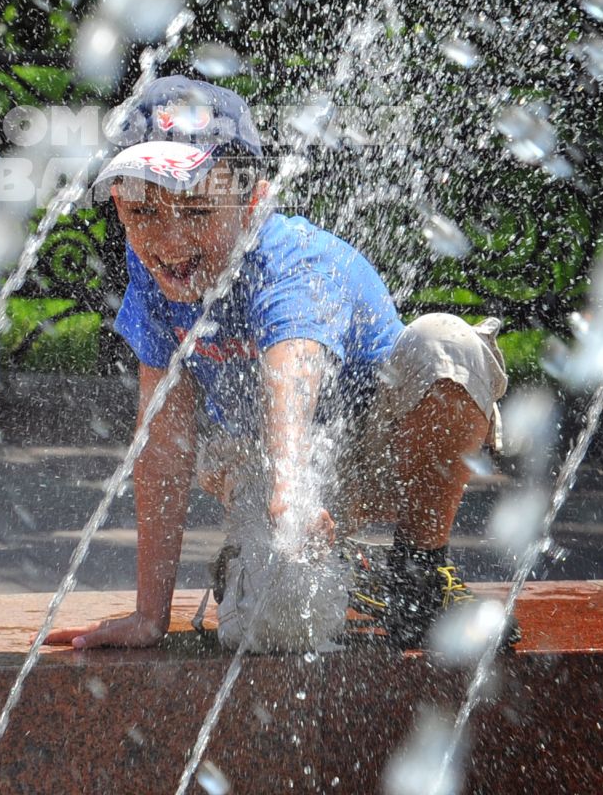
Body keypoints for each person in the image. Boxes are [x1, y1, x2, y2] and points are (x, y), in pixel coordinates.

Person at [48, 76, 514, 653]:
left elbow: (292, 371)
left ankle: (419, 573)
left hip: (385, 453)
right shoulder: (155, 271)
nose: (169, 241)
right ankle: (335, 575)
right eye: (143, 212)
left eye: (196, 209)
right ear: (119, 203)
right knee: (274, 627)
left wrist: (292, 487)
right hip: (267, 470)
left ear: (254, 203)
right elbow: (163, 441)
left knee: (446, 343)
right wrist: (150, 615)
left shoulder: (292, 260)